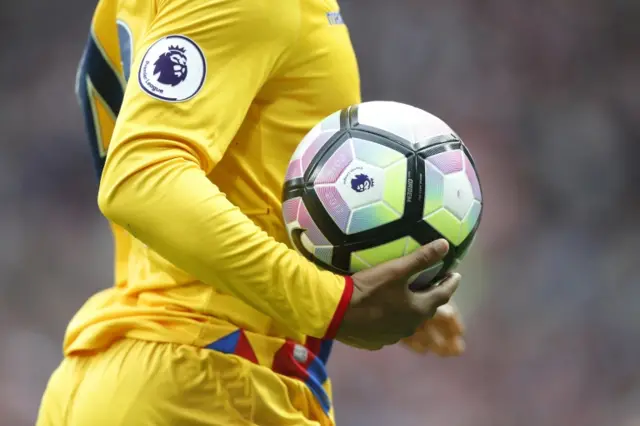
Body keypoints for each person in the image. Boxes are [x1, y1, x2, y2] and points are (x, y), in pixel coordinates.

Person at [37, 0, 465, 424]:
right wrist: (331, 302)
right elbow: (140, 179)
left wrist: (368, 273)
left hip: (136, 370)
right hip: (207, 383)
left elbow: (245, 175)